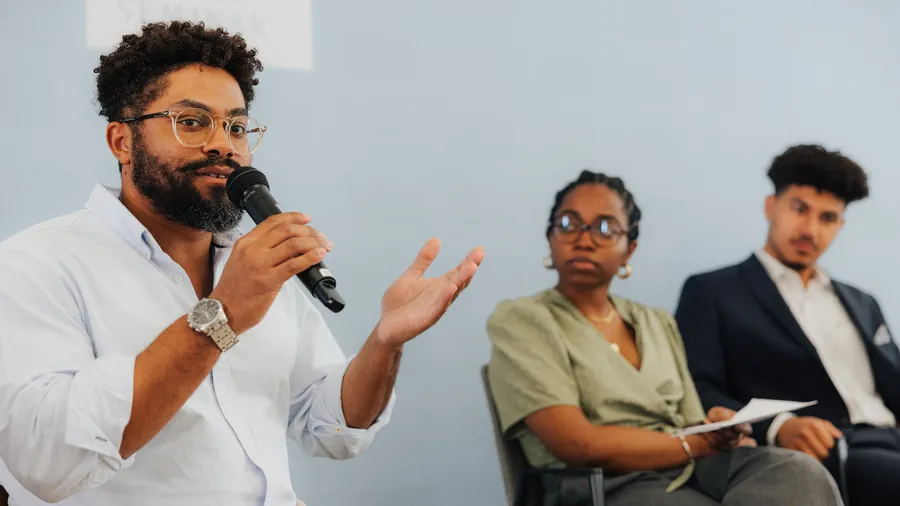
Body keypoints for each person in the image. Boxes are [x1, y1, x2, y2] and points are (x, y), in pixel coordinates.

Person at [0, 21, 484, 506]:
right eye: (192, 122)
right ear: (121, 142)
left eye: (236, 126)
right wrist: (224, 313)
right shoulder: (36, 265)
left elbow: (330, 427)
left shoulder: (255, 267)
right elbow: (46, 461)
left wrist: (384, 344)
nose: (224, 145)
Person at [486, 170, 843, 506]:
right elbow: (577, 444)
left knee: (798, 472)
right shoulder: (523, 320)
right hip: (604, 483)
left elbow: (690, 419)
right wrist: (695, 443)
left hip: (694, 470)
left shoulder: (655, 322)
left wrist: (716, 427)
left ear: (629, 249)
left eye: (605, 228)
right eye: (568, 224)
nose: (584, 239)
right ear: (551, 237)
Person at [675, 144, 900, 505]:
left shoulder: (862, 301)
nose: (810, 229)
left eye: (827, 218)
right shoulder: (712, 291)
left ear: (840, 225)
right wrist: (778, 425)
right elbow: (696, 388)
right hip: (830, 450)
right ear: (771, 206)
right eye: (799, 209)